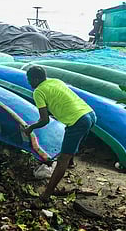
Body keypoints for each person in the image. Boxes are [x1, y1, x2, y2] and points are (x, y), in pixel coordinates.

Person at [22, 66, 96, 203]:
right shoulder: (55, 81)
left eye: (29, 79)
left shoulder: (38, 92)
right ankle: (71, 162)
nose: (28, 82)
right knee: (73, 144)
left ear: (36, 79)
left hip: (77, 121)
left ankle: (45, 196)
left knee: (63, 159)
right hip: (90, 114)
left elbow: (44, 120)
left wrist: (30, 128)